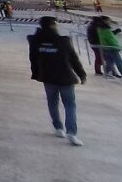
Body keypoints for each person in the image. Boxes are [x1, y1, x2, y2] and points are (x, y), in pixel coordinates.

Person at [28, 16, 86, 146]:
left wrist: (36, 74)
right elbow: (73, 59)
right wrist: (81, 74)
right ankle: (71, 132)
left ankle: (58, 127)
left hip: (48, 78)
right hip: (65, 77)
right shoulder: (62, 41)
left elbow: (33, 59)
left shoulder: (36, 41)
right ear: (53, 25)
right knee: (70, 105)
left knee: (52, 102)